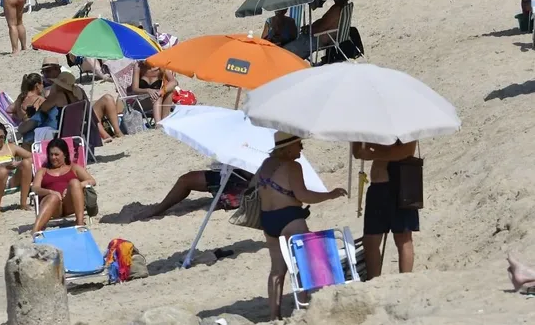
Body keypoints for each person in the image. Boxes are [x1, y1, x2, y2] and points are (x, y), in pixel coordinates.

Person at [257, 132, 347, 320]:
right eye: (299, 144)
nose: (302, 148)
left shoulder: (265, 164)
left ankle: (274, 316)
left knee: (277, 270)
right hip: (290, 218)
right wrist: (330, 195)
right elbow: (303, 195)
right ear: (288, 148)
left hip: (268, 219)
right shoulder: (293, 166)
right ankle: (303, 309)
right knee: (305, 264)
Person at [351, 140, 420, 279]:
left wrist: (374, 151)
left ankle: (405, 281)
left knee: (403, 237)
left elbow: (405, 151)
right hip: (379, 186)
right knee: (370, 240)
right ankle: (373, 280)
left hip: (402, 181)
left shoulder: (408, 124)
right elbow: (357, 152)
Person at [32, 138, 96, 232]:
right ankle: (35, 231)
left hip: (69, 204)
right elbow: (35, 188)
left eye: (56, 154)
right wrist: (51, 192)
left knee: (74, 182)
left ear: (65, 154)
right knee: (53, 197)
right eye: (51, 154)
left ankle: (80, 223)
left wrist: (77, 185)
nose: (53, 157)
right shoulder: (42, 170)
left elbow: (92, 181)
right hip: (52, 206)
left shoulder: (73, 168)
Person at [139, 168, 253, 219]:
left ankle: (158, 210)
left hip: (239, 178)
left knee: (185, 181)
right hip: (239, 174)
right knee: (186, 180)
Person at [44, 71, 124, 142]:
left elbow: (43, 109)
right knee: (104, 101)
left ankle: (109, 133)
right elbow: (88, 109)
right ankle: (114, 133)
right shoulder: (79, 91)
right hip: (83, 122)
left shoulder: (58, 96)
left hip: (71, 127)